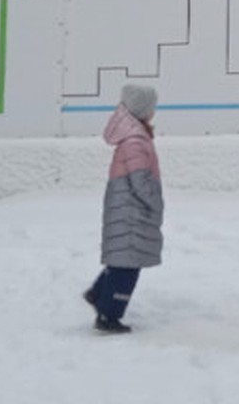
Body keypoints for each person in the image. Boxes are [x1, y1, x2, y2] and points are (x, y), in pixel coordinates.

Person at [83, 82, 164, 334]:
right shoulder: (135, 141)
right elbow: (140, 180)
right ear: (143, 110)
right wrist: (154, 201)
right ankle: (108, 315)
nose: (154, 112)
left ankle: (98, 294)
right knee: (127, 266)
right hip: (132, 212)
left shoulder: (134, 136)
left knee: (124, 260)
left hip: (128, 210)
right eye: (152, 107)